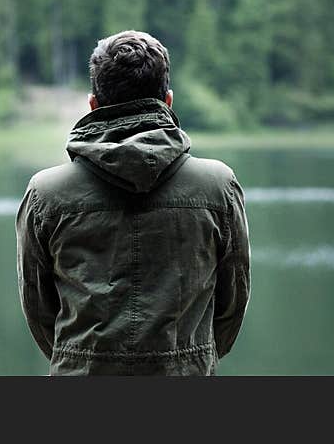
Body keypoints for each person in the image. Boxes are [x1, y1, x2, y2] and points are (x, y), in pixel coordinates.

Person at [15, 30, 250, 375]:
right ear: (168, 101)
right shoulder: (218, 187)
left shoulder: (46, 194)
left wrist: (82, 359)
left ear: (93, 104)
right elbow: (233, 301)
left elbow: (39, 309)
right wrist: (190, 359)